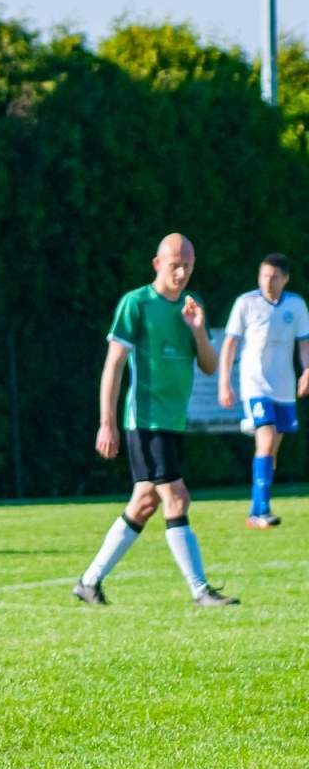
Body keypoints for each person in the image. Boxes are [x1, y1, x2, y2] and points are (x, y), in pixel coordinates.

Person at [74, 234, 238, 607]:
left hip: (173, 422)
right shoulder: (137, 304)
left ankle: (88, 581)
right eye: (174, 264)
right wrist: (107, 422)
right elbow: (113, 366)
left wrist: (198, 329)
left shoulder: (193, 307)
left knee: (145, 503)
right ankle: (201, 591)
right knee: (177, 499)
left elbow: (210, 368)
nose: (181, 272)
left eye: (188, 265)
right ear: (157, 263)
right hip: (145, 421)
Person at [218, 253, 309, 528]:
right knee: (266, 442)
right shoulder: (246, 303)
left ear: (285, 278)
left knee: (272, 452)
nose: (267, 281)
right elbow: (230, 343)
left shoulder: (296, 305)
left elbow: (304, 343)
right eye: (263, 275)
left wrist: (307, 370)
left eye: (273, 276)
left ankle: (256, 509)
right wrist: (224, 381)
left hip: (282, 386)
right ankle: (261, 512)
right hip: (254, 384)